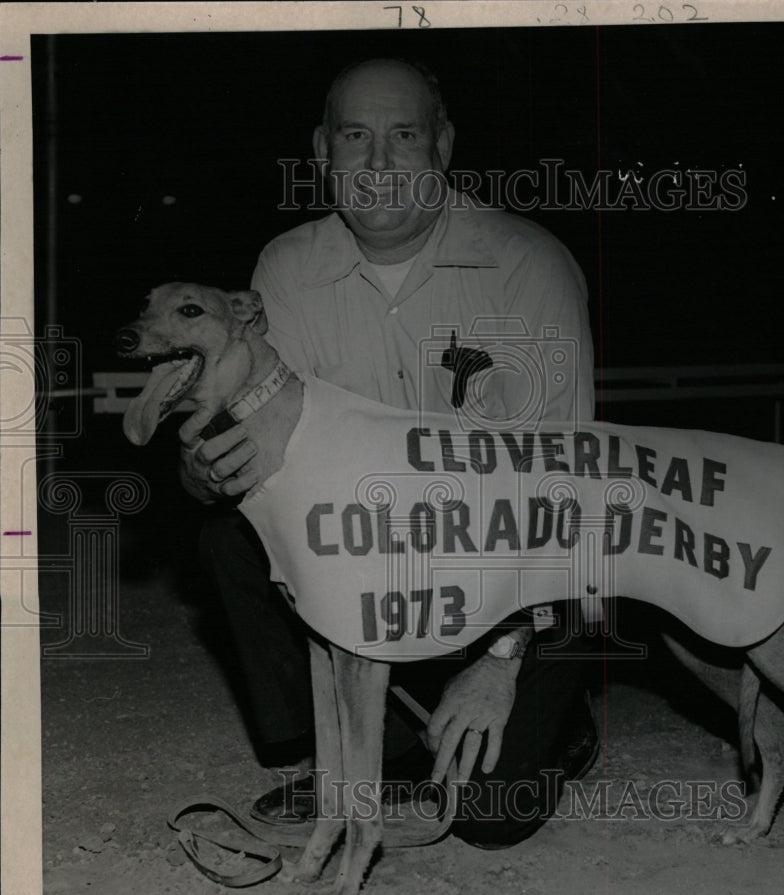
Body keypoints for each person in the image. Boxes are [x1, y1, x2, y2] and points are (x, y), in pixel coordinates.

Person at [182, 58, 599, 847]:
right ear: (321, 150)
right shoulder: (285, 268)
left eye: (403, 136)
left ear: (442, 145)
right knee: (232, 538)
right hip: (381, 552)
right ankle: (387, 750)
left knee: (485, 818)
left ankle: (558, 710)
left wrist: (504, 659)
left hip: (515, 560)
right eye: (355, 137)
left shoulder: (525, 262)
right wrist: (203, 470)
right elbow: (266, 460)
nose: (377, 164)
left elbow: (563, 483)